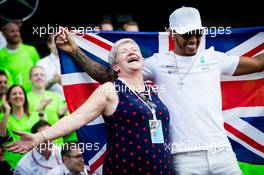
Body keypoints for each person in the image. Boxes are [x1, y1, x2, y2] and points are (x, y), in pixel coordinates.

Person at [51, 7, 263, 175]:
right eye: (186, 33)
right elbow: (112, 77)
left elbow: (257, 64)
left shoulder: (216, 58)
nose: (193, 39)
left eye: (197, 33)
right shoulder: (157, 63)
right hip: (183, 157)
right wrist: (76, 51)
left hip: (222, 152)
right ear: (172, 34)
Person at [6, 38, 172, 174]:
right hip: (126, 168)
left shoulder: (153, 90)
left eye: (135, 49)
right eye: (124, 51)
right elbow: (75, 119)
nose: (131, 51)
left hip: (162, 169)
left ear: (143, 60)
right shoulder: (110, 89)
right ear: (115, 66)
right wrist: (39, 137)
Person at [0, 85, 39, 168]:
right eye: (14, 94)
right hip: (11, 163)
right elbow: (2, 134)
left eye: (20, 93)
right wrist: (7, 109)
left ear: (25, 97)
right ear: (9, 99)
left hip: (33, 162)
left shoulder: (35, 116)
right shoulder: (3, 117)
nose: (18, 96)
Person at [0, 22, 40, 92]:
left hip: (32, 94)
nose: (16, 34)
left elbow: (39, 71)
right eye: (12, 31)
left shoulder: (31, 50)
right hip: (12, 97)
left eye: (17, 31)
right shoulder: (1, 54)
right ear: (4, 34)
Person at [37, 34, 65, 99]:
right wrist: (52, 81)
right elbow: (36, 87)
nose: (58, 45)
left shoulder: (71, 62)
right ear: (49, 44)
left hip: (69, 103)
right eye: (56, 42)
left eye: (60, 42)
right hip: (50, 103)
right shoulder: (41, 63)